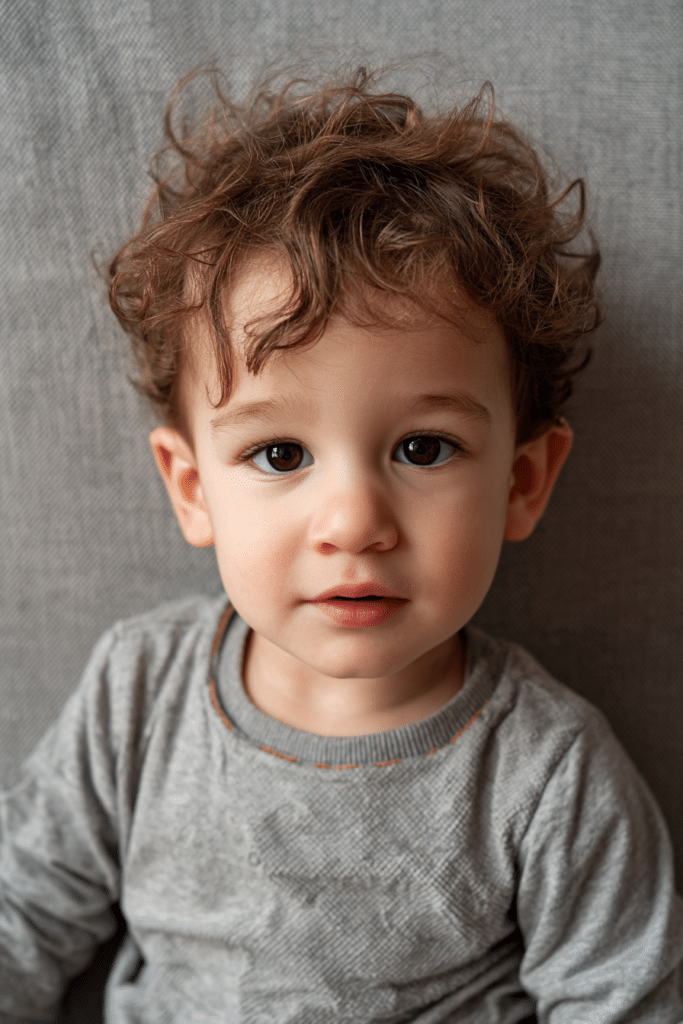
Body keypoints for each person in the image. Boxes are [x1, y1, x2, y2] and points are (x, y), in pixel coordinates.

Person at [1, 64, 681, 1023]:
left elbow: (624, 1000)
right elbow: (19, 919)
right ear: (193, 490)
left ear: (522, 481)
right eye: (279, 452)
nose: (354, 521)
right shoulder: (138, 695)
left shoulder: (545, 772)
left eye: (422, 447)